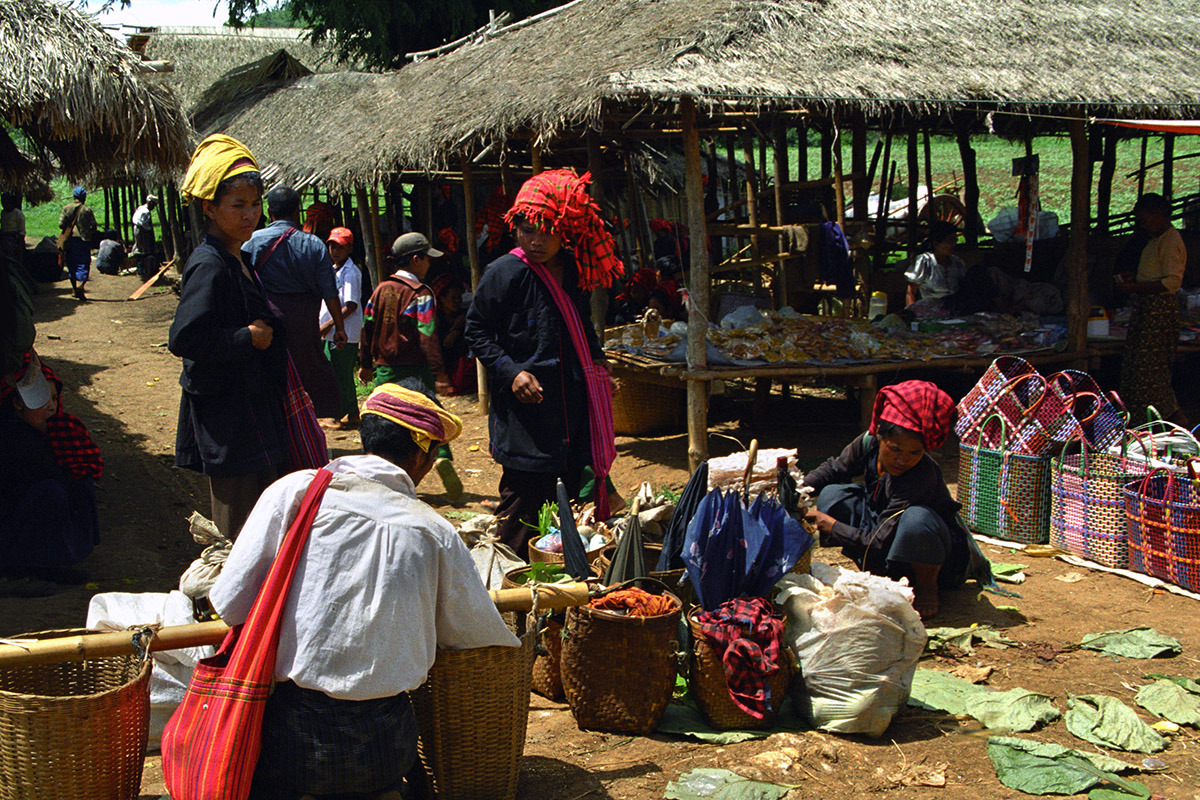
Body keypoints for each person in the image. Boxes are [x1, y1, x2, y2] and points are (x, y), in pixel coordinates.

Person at [208, 383, 519, 800]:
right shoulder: (433, 532)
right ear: (420, 452)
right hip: (382, 744)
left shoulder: (293, 492)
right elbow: (471, 633)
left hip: (290, 737)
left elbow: (230, 603)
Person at [464, 168, 623, 559]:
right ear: (514, 227)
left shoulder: (571, 269)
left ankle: (569, 586)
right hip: (526, 419)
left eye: (546, 231)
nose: (535, 241)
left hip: (572, 412)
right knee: (521, 512)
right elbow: (476, 331)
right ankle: (508, 594)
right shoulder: (505, 273)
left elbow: (581, 326)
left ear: (564, 230)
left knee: (578, 510)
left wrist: (599, 367)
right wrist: (511, 372)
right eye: (526, 230)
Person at [169, 134, 293, 541]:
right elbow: (185, 338)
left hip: (251, 410)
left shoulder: (238, 257)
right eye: (238, 206)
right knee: (240, 528)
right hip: (229, 418)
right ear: (210, 207)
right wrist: (246, 338)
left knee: (265, 520)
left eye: (255, 204)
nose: (250, 215)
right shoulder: (208, 264)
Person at [803, 380, 968, 619]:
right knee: (832, 495)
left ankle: (927, 586)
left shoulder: (921, 475)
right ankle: (878, 572)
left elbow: (878, 540)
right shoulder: (867, 443)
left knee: (916, 520)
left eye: (915, 452)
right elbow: (833, 470)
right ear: (880, 436)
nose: (903, 460)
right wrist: (798, 488)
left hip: (927, 552)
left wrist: (827, 523)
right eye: (895, 449)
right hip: (883, 532)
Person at [359, 232, 462, 501]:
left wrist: (365, 363)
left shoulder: (380, 289)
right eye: (427, 258)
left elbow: (367, 326)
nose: (429, 264)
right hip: (416, 369)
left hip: (385, 368)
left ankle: (384, 475)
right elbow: (427, 334)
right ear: (415, 259)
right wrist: (439, 372)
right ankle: (439, 457)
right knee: (426, 417)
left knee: (386, 421)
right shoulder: (422, 293)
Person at [1, 351, 102, 596]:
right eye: (42, 401)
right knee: (51, 492)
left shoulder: (53, 432)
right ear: (17, 404)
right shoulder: (10, 437)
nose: (50, 408)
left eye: (54, 400)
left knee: (77, 486)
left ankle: (49, 563)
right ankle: (12, 572)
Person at [243, 186, 347, 419]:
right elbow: (329, 291)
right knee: (309, 373)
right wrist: (339, 327)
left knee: (269, 373)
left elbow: (242, 286)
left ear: (268, 212)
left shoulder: (250, 243)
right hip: (304, 323)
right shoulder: (314, 245)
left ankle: (272, 429)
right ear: (297, 212)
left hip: (266, 323)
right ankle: (309, 426)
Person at [1117, 192, 1188, 427]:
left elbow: (1171, 282)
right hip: (1147, 309)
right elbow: (1154, 274)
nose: (1142, 225)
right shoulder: (1155, 240)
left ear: (1158, 215)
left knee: (1151, 372)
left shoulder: (1170, 241)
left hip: (1159, 312)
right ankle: (1141, 426)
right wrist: (1134, 278)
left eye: (1144, 219)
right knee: (1137, 368)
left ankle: (1177, 425)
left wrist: (1136, 286)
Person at [319, 227, 363, 430]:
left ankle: (338, 414)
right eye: (332, 246)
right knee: (340, 372)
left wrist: (330, 324)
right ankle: (352, 413)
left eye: (340, 247)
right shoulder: (335, 268)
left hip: (342, 331)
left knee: (340, 373)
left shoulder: (350, 272)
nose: (335, 251)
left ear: (349, 249)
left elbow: (351, 304)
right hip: (334, 330)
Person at [428, 272, 476, 396]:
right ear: (442, 299)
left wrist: (456, 331)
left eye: (459, 298)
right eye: (453, 298)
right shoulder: (436, 321)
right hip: (446, 367)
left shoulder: (463, 316)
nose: (457, 301)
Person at [58, 186, 97, 301]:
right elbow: (94, 226)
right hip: (83, 240)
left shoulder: (66, 208)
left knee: (71, 263)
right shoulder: (87, 210)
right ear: (84, 197)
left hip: (70, 240)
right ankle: (81, 286)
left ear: (74, 196)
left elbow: (61, 224)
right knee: (84, 263)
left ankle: (74, 288)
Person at [131, 194, 159, 280]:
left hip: (137, 228)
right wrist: (149, 229)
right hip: (141, 230)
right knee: (143, 249)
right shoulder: (145, 212)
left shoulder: (140, 208)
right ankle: (141, 268)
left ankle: (140, 267)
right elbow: (144, 224)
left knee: (139, 246)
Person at [1, 192, 25, 272]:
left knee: (13, 261)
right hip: (4, 240)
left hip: (14, 241)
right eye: (2, 202)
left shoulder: (18, 214)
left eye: (5, 202)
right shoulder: (3, 213)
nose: (3, 204)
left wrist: (19, 246)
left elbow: (22, 232)